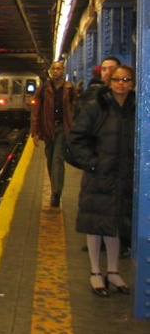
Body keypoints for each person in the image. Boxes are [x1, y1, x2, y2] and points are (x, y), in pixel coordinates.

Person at [66, 65, 135, 297]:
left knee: (115, 225)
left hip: (124, 178)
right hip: (100, 177)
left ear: (133, 83)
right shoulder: (96, 108)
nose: (121, 84)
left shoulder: (137, 108)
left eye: (126, 79)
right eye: (117, 79)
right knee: (96, 225)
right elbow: (75, 139)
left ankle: (113, 271)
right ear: (109, 82)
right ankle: (96, 273)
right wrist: (93, 163)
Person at [30, 60, 79, 207]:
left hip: (63, 129)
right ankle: (55, 188)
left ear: (63, 71)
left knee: (58, 159)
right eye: (54, 69)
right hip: (47, 128)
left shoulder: (70, 89)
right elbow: (36, 110)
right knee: (50, 160)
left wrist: (75, 130)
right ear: (50, 71)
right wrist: (35, 132)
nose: (56, 71)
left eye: (59, 69)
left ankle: (56, 193)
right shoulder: (44, 89)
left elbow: (77, 110)